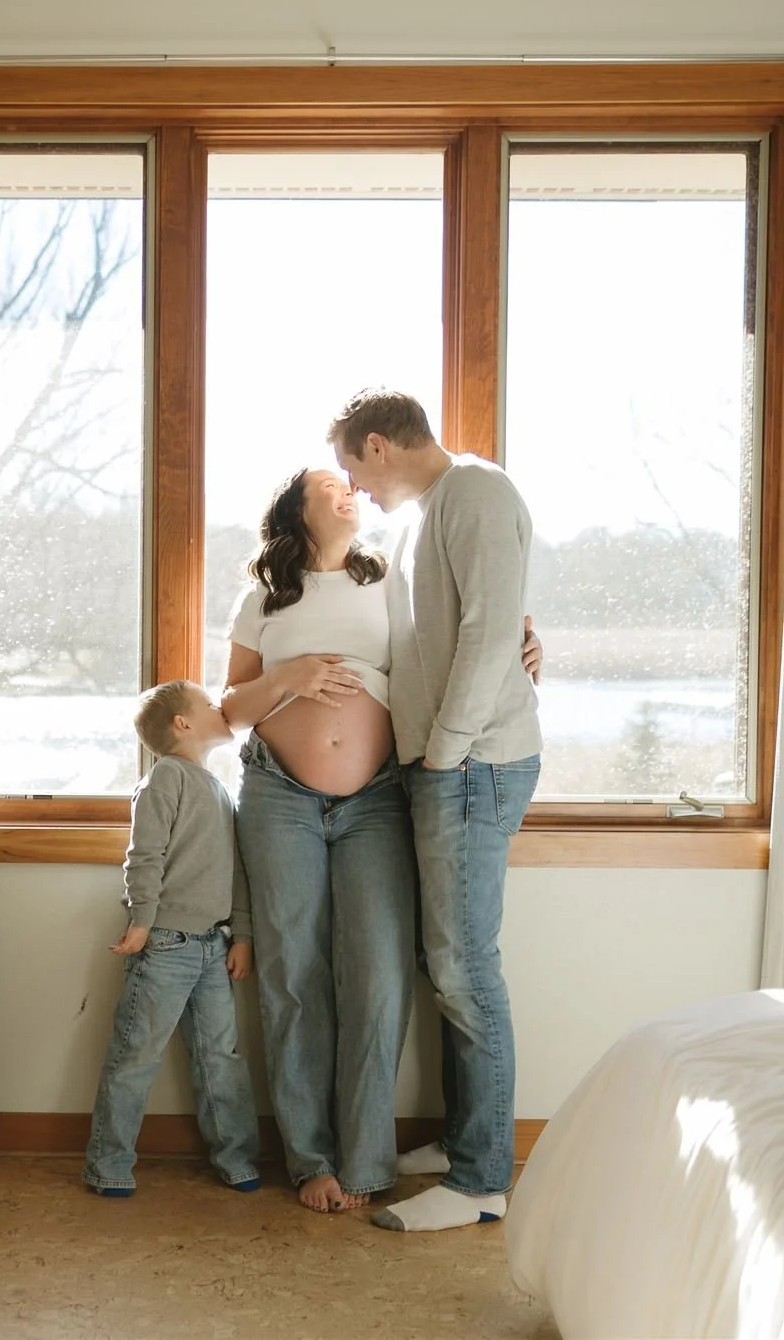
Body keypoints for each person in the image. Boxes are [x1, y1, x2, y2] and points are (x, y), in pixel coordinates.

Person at [328, 389, 544, 1234]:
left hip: (473, 764)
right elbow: (462, 632)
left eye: (354, 467)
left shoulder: (479, 493)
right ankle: (463, 1144)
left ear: (378, 444)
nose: (357, 488)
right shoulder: (422, 515)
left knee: (465, 968)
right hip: (443, 764)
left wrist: (446, 751)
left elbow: (493, 631)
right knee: (445, 963)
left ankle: (484, 1179)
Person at [222, 468, 418, 1213]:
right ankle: (311, 1159)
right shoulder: (266, 597)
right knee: (293, 973)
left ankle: (367, 1160)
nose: (352, 492)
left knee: (378, 974)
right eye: (332, 485)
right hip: (279, 795)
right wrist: (291, 676)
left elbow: (458, 636)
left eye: (353, 484)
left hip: (378, 799)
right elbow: (229, 707)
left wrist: (527, 643)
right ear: (296, 511)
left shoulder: (389, 579)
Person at [84, 681, 262, 1198]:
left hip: (213, 945)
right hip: (164, 945)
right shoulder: (165, 779)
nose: (220, 707)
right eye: (209, 704)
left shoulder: (218, 788)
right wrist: (141, 921)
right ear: (182, 724)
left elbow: (237, 873)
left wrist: (243, 935)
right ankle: (109, 1164)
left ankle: (235, 1155)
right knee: (136, 1055)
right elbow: (145, 856)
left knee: (220, 1057)